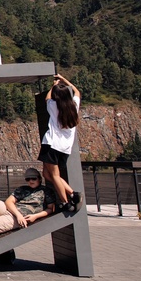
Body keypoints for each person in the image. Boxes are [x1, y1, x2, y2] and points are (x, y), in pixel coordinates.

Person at [39, 73, 82, 212]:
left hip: (51, 144)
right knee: (46, 174)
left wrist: (54, 86)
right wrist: (64, 79)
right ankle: (72, 194)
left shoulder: (54, 107)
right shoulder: (74, 106)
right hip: (64, 148)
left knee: (54, 176)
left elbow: (47, 98)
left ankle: (65, 202)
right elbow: (77, 92)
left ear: (57, 97)